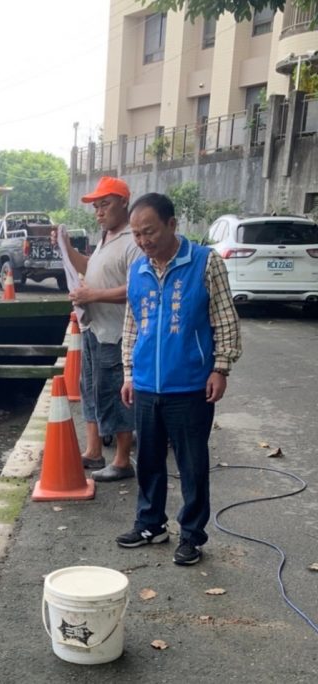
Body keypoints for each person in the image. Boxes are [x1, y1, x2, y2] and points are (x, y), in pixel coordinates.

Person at [117, 193, 242, 566]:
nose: (143, 241)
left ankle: (191, 535)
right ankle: (150, 524)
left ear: (172, 224)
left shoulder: (205, 263)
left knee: (192, 465)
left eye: (149, 231)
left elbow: (225, 320)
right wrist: (128, 372)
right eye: (137, 234)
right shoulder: (137, 269)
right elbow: (132, 326)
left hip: (189, 385)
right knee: (149, 459)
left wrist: (220, 368)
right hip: (145, 386)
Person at [58, 176, 141, 482]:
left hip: (117, 333)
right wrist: (66, 248)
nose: (99, 213)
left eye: (104, 205)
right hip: (95, 326)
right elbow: (89, 267)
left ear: (123, 203)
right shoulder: (107, 238)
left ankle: (121, 460)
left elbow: (137, 288)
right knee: (91, 389)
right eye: (96, 207)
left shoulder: (134, 241)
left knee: (116, 393)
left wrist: (92, 295)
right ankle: (94, 451)